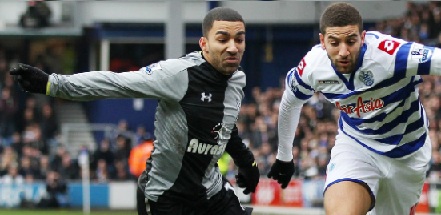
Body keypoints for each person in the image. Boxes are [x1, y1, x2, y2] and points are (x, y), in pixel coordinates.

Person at [8, 7, 258, 214]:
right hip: (167, 198)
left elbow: (224, 127)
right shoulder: (179, 74)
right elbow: (115, 83)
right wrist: (53, 84)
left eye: (239, 39)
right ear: (204, 43)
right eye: (223, 39)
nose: (233, 47)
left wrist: (247, 162)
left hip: (212, 194)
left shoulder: (237, 81)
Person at [271, 3, 441, 214]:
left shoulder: (390, 55)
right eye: (334, 43)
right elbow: (290, 102)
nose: (343, 51)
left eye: (351, 41)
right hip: (357, 146)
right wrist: (284, 156)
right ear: (322, 41)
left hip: (407, 154)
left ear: (363, 37)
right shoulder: (313, 67)